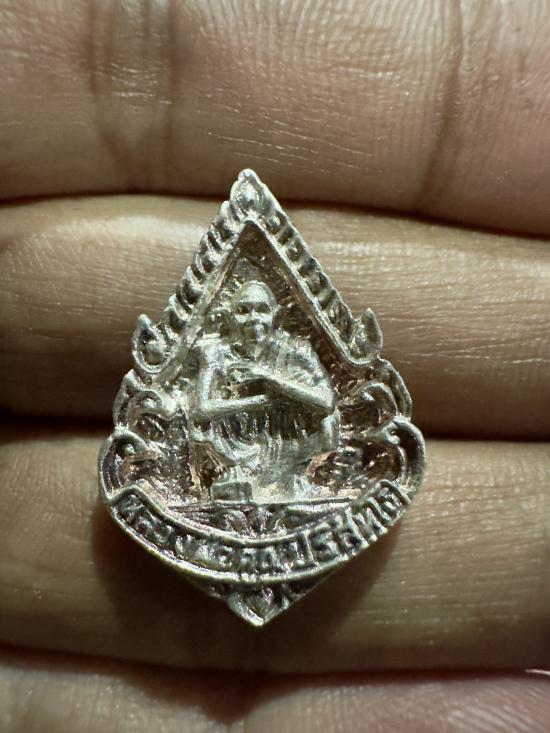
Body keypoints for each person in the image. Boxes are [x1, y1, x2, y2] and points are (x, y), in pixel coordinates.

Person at [190, 280, 338, 502]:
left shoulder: (296, 349)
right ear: (229, 317)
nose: (253, 318)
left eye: (262, 310)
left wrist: (270, 378)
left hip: (288, 434)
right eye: (243, 311)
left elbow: (327, 402)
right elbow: (201, 410)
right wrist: (261, 400)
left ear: (276, 315)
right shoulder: (216, 353)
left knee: (322, 410)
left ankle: (294, 474)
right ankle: (237, 472)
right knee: (203, 422)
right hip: (237, 439)